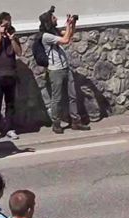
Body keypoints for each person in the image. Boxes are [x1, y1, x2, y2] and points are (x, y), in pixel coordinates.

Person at [39, 6, 88, 134]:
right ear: (48, 21)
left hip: (65, 67)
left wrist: (72, 24)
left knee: (73, 95)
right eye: (53, 18)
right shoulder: (46, 36)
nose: (56, 19)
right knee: (57, 98)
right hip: (55, 70)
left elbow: (69, 35)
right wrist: (67, 25)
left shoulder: (54, 32)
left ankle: (75, 121)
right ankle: (56, 123)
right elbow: (65, 40)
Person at [0, 11, 21, 142]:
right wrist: (0, 34)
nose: (9, 25)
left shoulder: (13, 36)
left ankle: (10, 128)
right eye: (6, 22)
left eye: (10, 22)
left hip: (11, 74)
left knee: (10, 103)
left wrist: (12, 38)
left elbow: (19, 52)